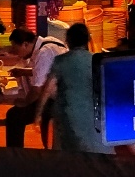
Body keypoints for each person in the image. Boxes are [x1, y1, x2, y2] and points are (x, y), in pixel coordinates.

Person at [38, 23, 112, 153]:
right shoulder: (97, 61)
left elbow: (47, 89)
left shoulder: (60, 61)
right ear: (87, 40)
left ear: (68, 41)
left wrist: (38, 113)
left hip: (67, 118)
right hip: (94, 120)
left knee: (67, 158)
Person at [4, 28, 67, 148]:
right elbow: (43, 71)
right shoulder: (49, 41)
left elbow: (37, 90)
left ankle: (14, 155)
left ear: (25, 44)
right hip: (61, 95)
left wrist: (24, 102)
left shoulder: (43, 53)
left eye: (15, 48)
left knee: (14, 115)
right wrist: (23, 72)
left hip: (58, 100)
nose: (15, 52)